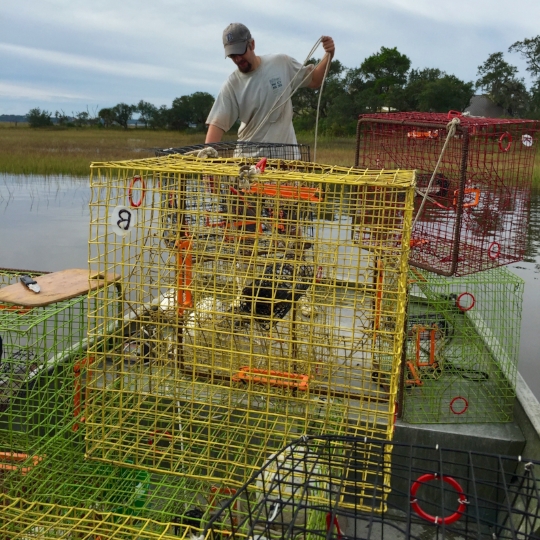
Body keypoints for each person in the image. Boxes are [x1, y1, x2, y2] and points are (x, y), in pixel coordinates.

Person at [205, 23, 335, 147]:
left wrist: (329, 54)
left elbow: (315, 80)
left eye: (240, 52)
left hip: (287, 159)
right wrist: (207, 160)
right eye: (232, 55)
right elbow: (217, 124)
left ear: (252, 44)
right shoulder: (232, 85)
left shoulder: (281, 63)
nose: (237, 59)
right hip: (250, 161)